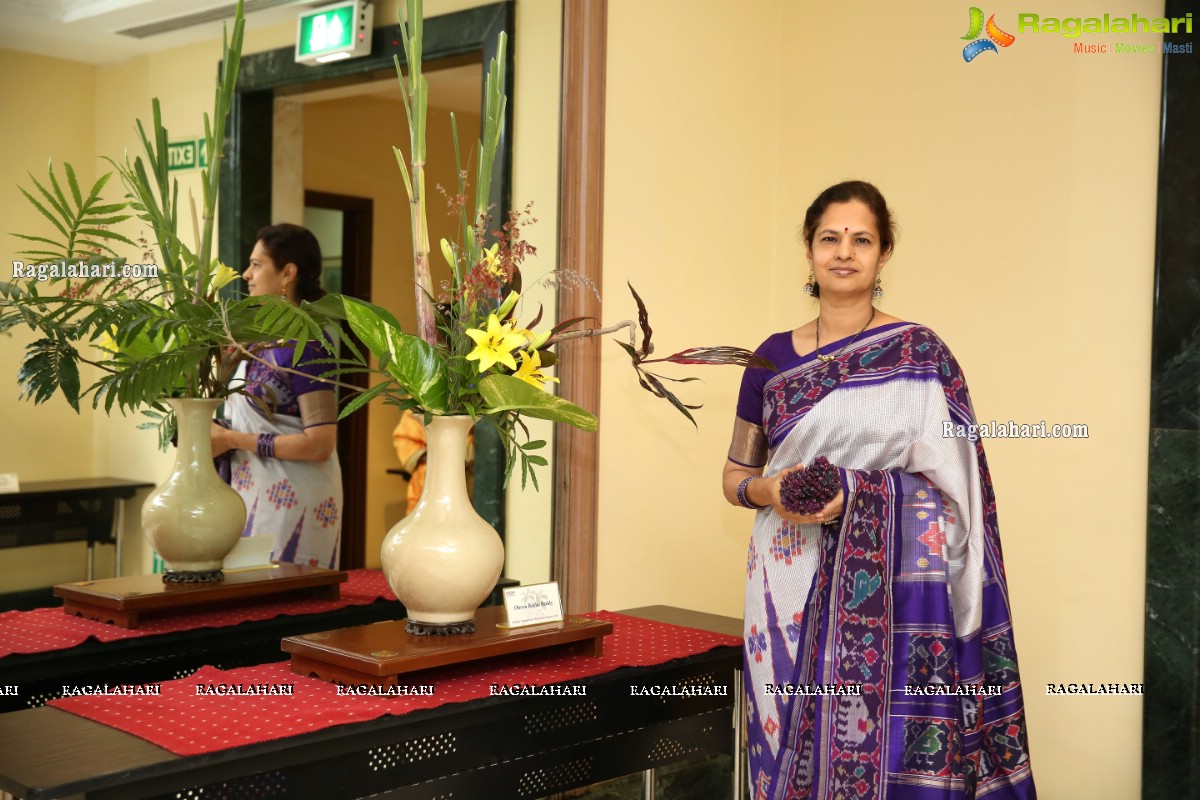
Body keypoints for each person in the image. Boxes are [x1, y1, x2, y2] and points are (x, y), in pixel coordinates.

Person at [723, 181, 1035, 798]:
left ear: (883, 252)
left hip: (895, 592)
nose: (844, 252)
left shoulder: (922, 354)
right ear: (809, 251)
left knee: (889, 739)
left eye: (861, 239)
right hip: (783, 581)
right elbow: (734, 477)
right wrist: (771, 491)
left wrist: (861, 498)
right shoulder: (769, 361)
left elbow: (960, 489)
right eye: (829, 239)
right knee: (780, 734)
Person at [212, 223, 343, 568]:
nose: (245, 274)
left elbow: (320, 443)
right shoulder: (254, 339)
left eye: (257, 265)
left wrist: (235, 439)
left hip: (294, 501)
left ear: (287, 273)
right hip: (246, 492)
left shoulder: (309, 343)